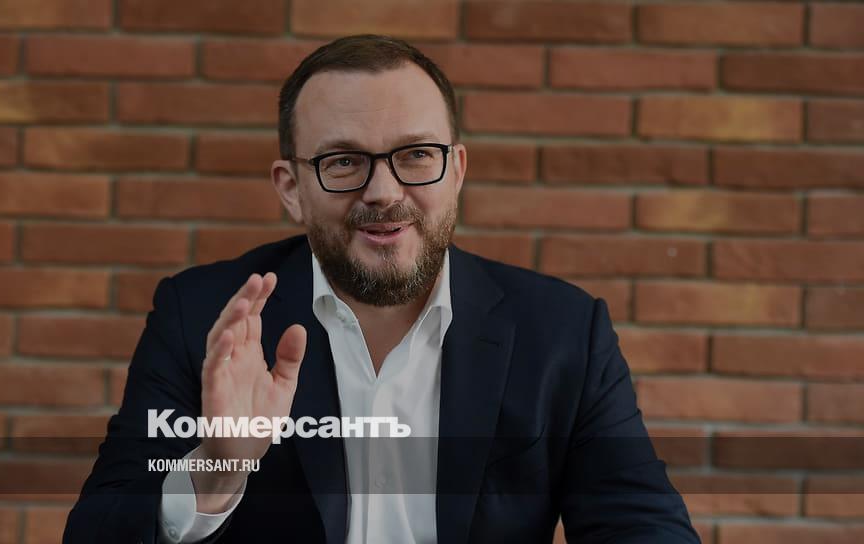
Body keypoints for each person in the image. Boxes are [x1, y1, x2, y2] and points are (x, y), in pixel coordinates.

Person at [64, 34, 699, 543]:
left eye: (416, 155)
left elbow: (641, 523)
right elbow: (98, 528)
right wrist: (216, 470)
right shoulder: (201, 316)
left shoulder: (563, 332)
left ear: (456, 171)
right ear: (291, 188)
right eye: (343, 162)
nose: (384, 192)